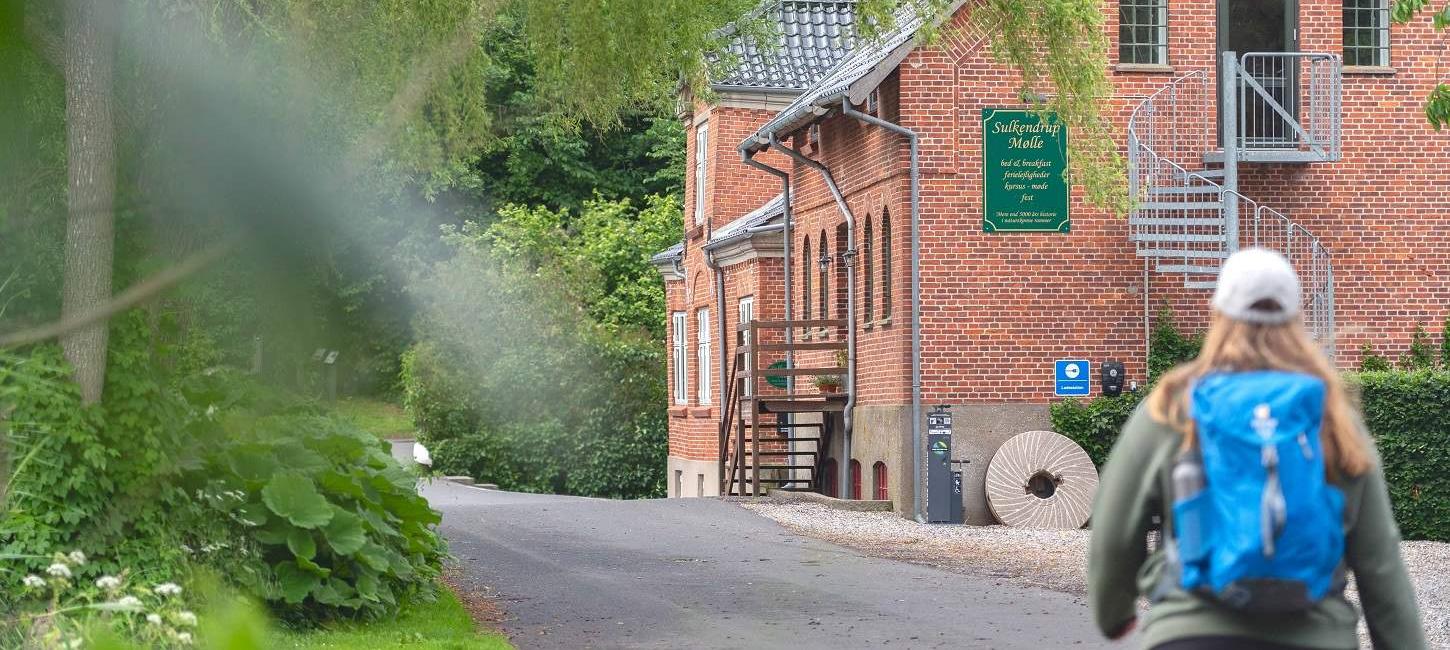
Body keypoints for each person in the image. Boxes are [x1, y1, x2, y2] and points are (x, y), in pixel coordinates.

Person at [1087, 248, 1426, 649]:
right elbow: (1380, 563)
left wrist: (1114, 614)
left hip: (1190, 633)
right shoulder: (1332, 417)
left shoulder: (1175, 408)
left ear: (1217, 317)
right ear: (1297, 322)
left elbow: (1114, 527)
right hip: (1315, 636)